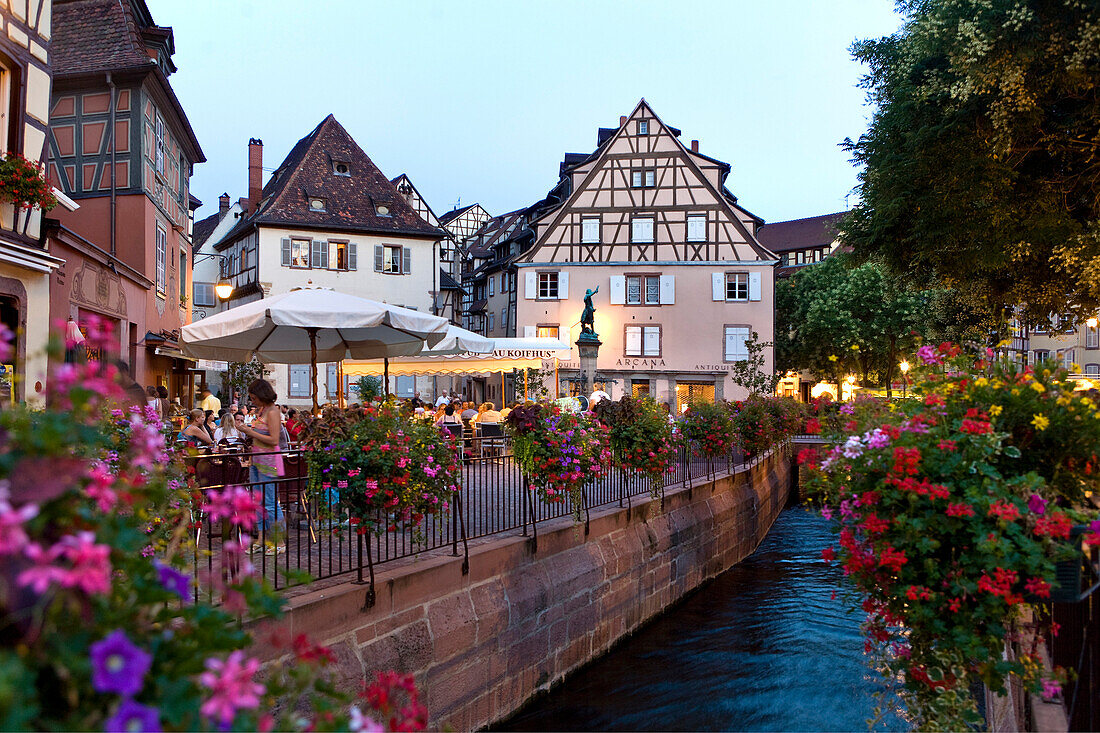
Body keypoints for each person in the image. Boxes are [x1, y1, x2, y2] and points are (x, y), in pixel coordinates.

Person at [237, 379, 285, 555]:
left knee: (270, 503)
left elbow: (274, 440)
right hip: (257, 460)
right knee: (258, 502)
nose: (253, 402)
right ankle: (261, 539)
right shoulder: (262, 411)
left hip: (269, 462)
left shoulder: (273, 412)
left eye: (254, 398)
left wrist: (250, 431)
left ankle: (278, 541)